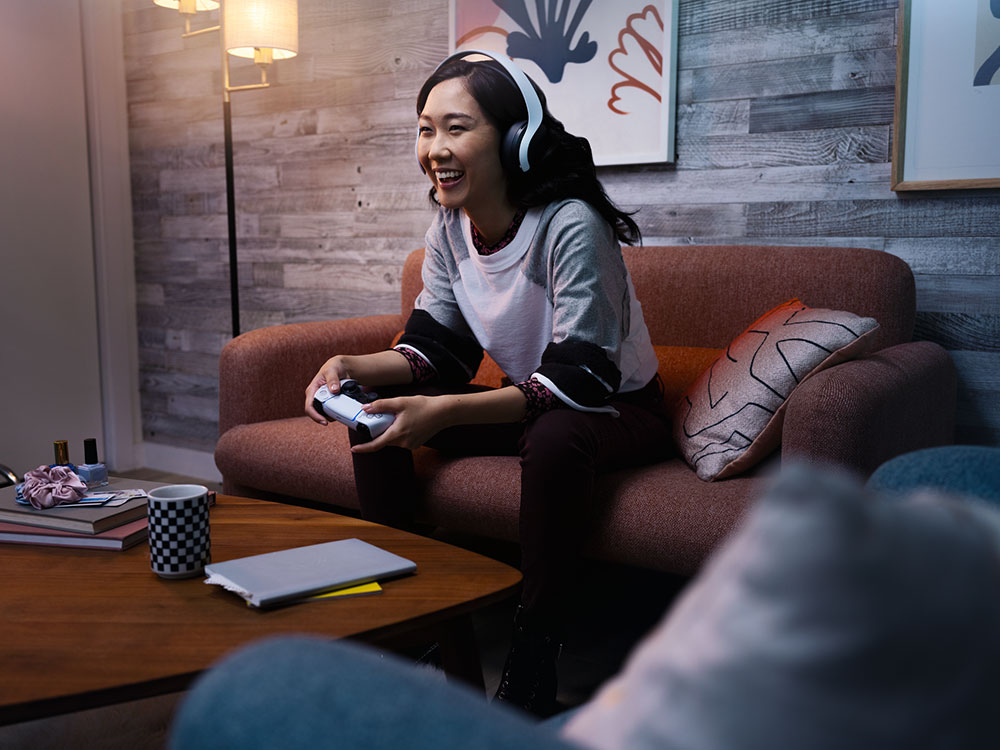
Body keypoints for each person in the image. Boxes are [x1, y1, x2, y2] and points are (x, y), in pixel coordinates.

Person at [304, 51, 672, 716]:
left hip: (616, 409)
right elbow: (437, 351)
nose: (435, 149)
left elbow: (583, 377)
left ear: (514, 139)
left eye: (456, 128)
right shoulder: (449, 229)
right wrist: (351, 368)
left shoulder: (570, 223)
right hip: (535, 401)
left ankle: (535, 653)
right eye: (425, 130)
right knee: (372, 411)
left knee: (555, 436)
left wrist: (445, 414)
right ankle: (408, 624)